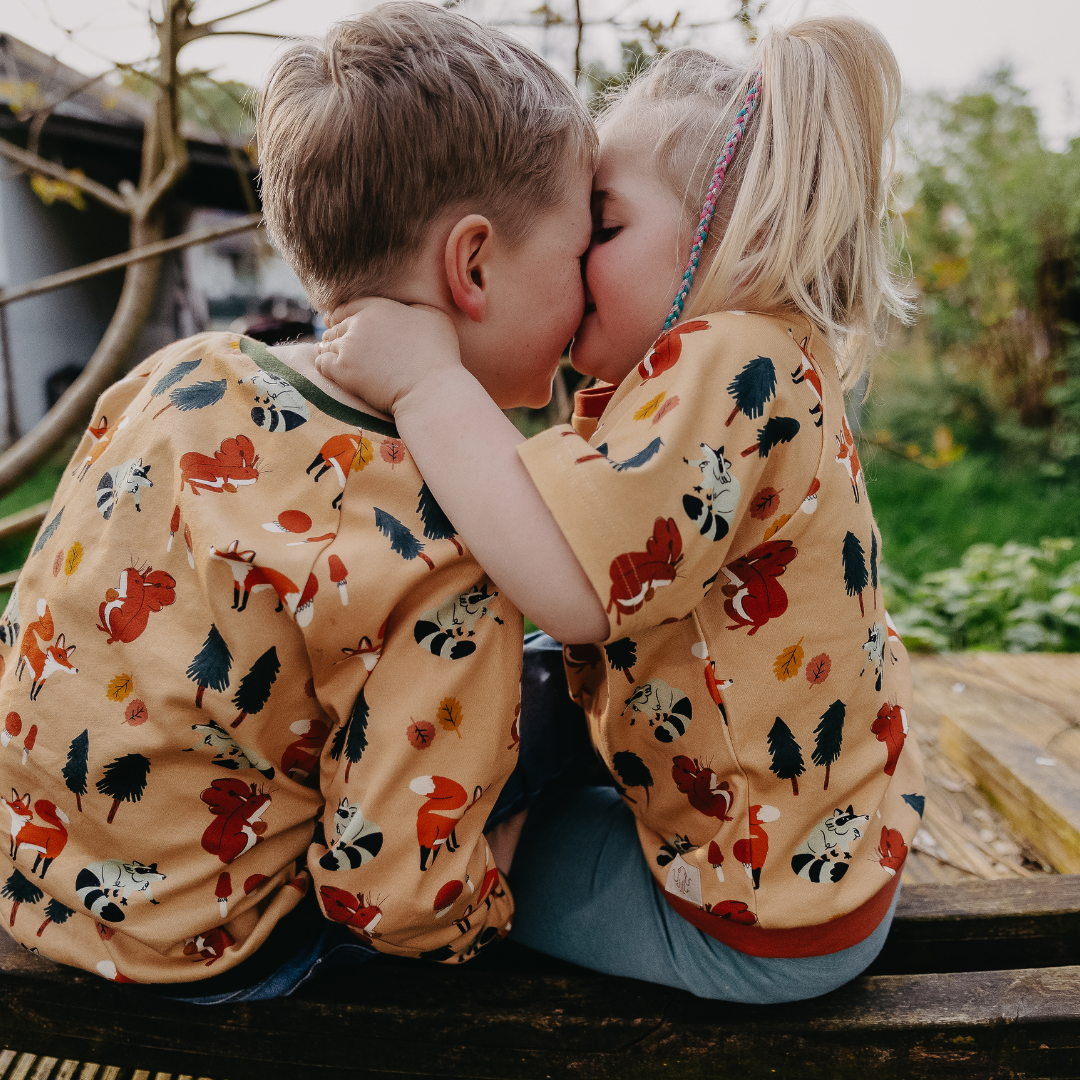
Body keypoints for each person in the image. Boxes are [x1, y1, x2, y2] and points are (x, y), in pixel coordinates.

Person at [316, 17, 927, 1003]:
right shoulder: (764, 362)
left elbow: (571, 590)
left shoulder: (726, 358)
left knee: (445, 851)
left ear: (746, 235)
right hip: (826, 854)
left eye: (603, 222)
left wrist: (428, 385)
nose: (573, 252)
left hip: (758, 921)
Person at [0, 2, 598, 998]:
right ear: (475, 262)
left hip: (30, 868)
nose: (588, 294)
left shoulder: (182, 374)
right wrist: (494, 893)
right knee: (561, 719)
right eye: (580, 254)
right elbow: (397, 902)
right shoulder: (442, 536)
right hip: (206, 945)